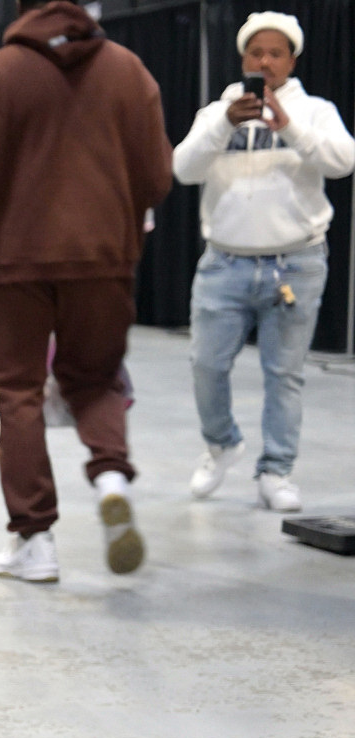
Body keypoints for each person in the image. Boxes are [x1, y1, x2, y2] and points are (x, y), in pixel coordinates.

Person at [0, 0, 171, 583]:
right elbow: (156, 176)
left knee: (16, 391)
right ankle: (112, 479)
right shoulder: (127, 70)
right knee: (94, 378)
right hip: (104, 254)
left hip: (15, 257)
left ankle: (35, 538)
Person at [172, 11, 355, 513]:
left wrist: (289, 127)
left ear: (293, 60)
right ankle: (222, 444)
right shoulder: (218, 112)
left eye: (276, 53)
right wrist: (224, 124)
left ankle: (276, 470)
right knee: (206, 365)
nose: (265, 62)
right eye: (256, 53)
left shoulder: (315, 111)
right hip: (223, 263)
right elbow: (182, 169)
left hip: (295, 264)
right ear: (243, 59)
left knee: (284, 374)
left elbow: (343, 161)